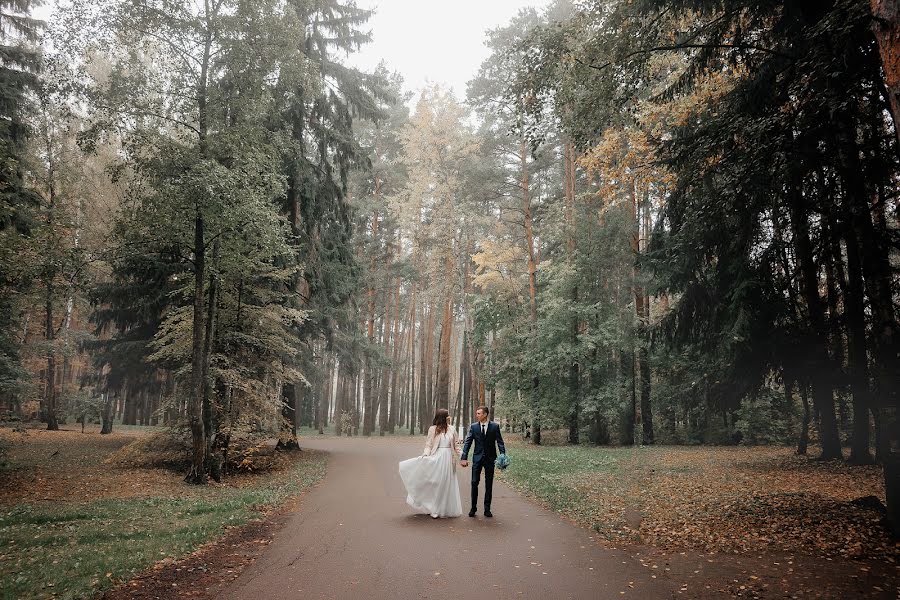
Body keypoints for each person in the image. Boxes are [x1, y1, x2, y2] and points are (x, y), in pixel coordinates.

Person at [398, 408, 462, 518]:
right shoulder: (433, 429)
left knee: (446, 484)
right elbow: (428, 444)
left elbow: (456, 445)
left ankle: (444, 509)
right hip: (436, 458)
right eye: (448, 415)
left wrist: (463, 456)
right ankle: (434, 508)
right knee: (436, 483)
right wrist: (425, 454)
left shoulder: (452, 429)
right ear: (443, 417)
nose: (449, 417)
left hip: (448, 460)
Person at [459, 405, 505, 518]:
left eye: (479, 413)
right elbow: (468, 442)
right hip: (477, 459)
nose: (477, 415)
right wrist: (464, 457)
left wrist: (503, 456)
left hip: (490, 459)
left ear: (485, 414)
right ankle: (473, 508)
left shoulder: (495, 426)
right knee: (474, 482)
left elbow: (500, 442)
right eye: (477, 413)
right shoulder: (474, 427)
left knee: (489, 484)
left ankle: (487, 509)